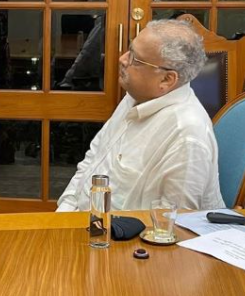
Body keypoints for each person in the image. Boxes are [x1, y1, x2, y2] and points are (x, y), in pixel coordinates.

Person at [56, 19, 225, 212]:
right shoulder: (135, 96)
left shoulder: (186, 135)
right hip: (88, 225)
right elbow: (94, 159)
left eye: (135, 59)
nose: (122, 59)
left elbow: (172, 227)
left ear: (166, 79)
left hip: (125, 238)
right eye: (129, 49)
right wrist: (64, 212)